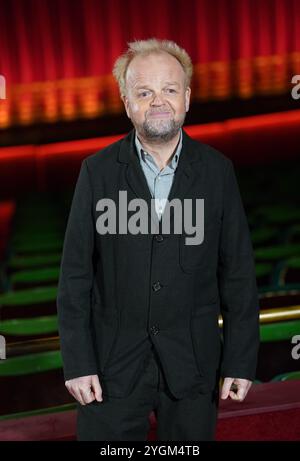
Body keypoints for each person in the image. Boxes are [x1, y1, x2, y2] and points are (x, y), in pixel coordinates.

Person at [57, 38, 260, 441]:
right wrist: (78, 363)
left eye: (169, 89)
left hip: (194, 366)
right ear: (126, 102)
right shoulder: (96, 173)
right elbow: (75, 277)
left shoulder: (218, 172)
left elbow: (238, 274)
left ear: (186, 97)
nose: (159, 101)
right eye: (144, 92)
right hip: (111, 371)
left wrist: (239, 360)